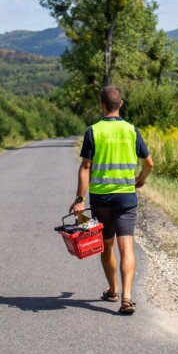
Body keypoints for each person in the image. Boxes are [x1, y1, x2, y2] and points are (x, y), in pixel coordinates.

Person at [70, 86, 154, 315]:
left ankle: (113, 290)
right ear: (122, 104)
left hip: (101, 199)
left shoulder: (93, 131)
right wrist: (141, 180)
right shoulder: (131, 130)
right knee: (127, 245)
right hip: (126, 196)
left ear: (102, 105)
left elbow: (85, 167)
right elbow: (149, 163)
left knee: (106, 245)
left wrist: (79, 200)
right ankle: (127, 297)